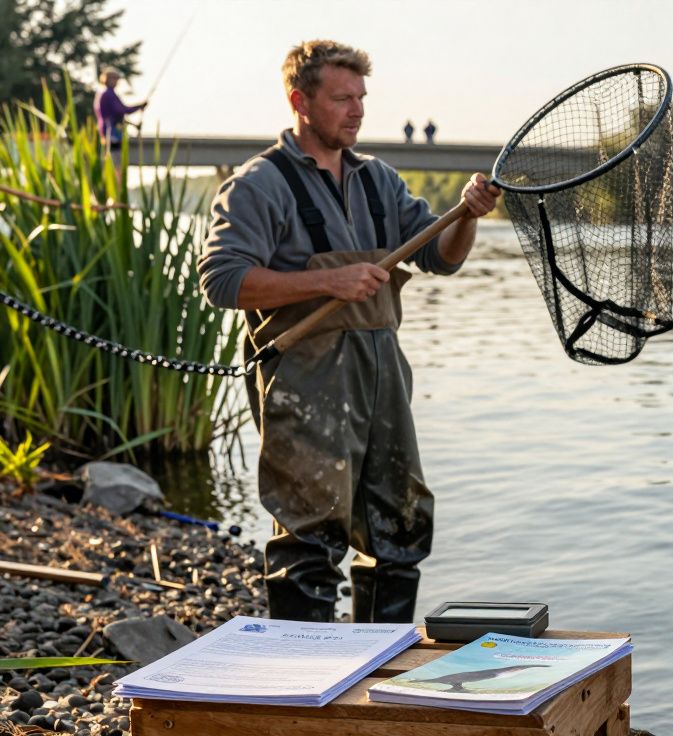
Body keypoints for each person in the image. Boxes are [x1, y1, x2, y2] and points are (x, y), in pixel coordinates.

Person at [198, 40, 501, 623]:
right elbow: (222, 280)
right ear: (300, 101)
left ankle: (376, 669)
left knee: (398, 531)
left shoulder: (378, 180)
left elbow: (441, 257)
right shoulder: (258, 184)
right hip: (303, 380)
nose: (358, 110)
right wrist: (328, 282)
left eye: (361, 97)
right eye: (342, 98)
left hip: (383, 379)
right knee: (309, 541)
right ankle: (303, 689)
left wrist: (467, 216)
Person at [94, 68, 147, 147]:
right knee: (115, 155)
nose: (116, 81)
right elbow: (121, 110)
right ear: (107, 79)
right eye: (114, 78)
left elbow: (120, 113)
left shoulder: (105, 93)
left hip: (109, 129)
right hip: (110, 131)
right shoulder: (108, 94)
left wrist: (139, 108)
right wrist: (139, 107)